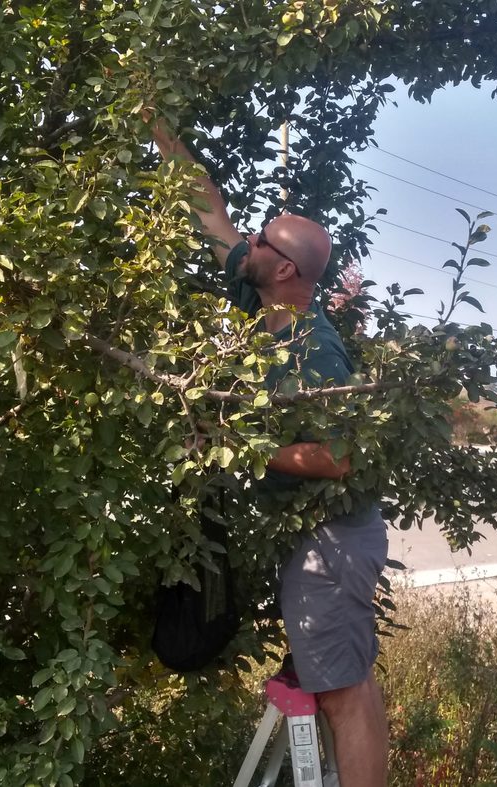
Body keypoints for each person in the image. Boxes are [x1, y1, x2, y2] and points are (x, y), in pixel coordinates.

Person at [144, 112, 389, 787]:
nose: (243, 241)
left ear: (283, 266)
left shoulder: (317, 348)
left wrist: (238, 443)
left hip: (335, 539)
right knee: (346, 678)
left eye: (260, 239)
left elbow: (342, 457)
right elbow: (209, 211)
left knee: (344, 691)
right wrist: (155, 119)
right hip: (315, 534)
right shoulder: (262, 298)